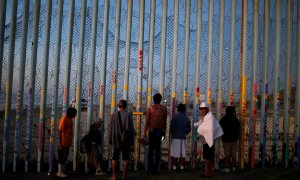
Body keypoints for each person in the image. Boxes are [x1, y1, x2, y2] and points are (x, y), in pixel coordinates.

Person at [194, 102, 223, 177]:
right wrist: (196, 124)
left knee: (207, 156)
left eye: (203, 109)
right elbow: (201, 123)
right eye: (201, 109)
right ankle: (210, 168)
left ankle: (207, 172)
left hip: (208, 140)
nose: (201, 110)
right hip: (208, 139)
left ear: (207, 109)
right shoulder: (207, 116)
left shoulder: (209, 117)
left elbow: (206, 128)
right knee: (209, 156)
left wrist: (198, 133)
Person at [109, 99, 134, 180]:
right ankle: (124, 176)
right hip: (125, 140)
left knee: (115, 157)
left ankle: (114, 176)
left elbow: (110, 129)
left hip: (116, 139)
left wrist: (110, 138)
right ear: (126, 106)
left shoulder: (113, 115)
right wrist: (132, 141)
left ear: (118, 106)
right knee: (126, 157)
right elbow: (131, 130)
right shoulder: (128, 115)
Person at [143, 93, 167, 174]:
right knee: (158, 150)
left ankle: (150, 169)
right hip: (160, 132)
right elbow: (165, 122)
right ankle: (157, 169)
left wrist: (144, 133)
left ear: (153, 99)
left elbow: (147, 122)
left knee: (151, 150)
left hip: (152, 132)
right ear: (160, 100)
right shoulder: (164, 109)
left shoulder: (150, 108)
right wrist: (164, 132)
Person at [170, 103, 191, 171]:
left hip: (176, 137)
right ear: (184, 110)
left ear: (178, 109)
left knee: (176, 153)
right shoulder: (186, 118)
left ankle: (174, 167)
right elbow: (189, 128)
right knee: (183, 153)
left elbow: (172, 128)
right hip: (183, 137)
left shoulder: (175, 117)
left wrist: (173, 133)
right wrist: (185, 132)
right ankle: (182, 166)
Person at [57, 107, 77, 177]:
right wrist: (60, 143)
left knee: (65, 156)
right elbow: (59, 131)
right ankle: (59, 172)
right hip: (63, 142)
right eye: (75, 113)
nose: (75, 115)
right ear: (71, 113)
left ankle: (63, 170)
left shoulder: (70, 119)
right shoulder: (64, 119)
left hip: (67, 141)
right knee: (61, 156)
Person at [219, 106, 240, 172]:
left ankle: (227, 167)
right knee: (233, 154)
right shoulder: (235, 119)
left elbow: (220, 128)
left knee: (227, 154)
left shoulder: (224, 119)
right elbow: (238, 128)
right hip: (234, 139)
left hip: (226, 139)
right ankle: (233, 167)